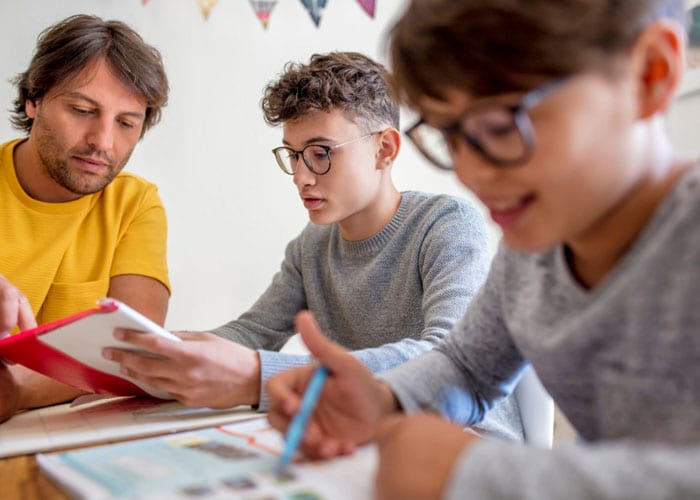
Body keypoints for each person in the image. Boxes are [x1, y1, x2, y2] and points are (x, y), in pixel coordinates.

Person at [265, 0, 700, 498]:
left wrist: (474, 474)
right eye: (450, 136)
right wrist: (385, 400)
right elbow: (467, 368)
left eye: (499, 125)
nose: (472, 174)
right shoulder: (535, 249)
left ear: (649, 75)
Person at [104, 51, 522, 440]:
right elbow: (254, 332)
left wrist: (263, 374)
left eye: (321, 153)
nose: (301, 177)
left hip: (465, 442)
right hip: (368, 436)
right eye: (294, 154)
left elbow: (443, 354)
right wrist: (165, 354)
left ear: (384, 149)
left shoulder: (446, 224)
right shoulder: (311, 246)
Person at [0, 14, 170, 423]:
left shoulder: (136, 204)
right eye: (81, 110)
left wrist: (16, 389)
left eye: (126, 123)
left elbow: (133, 352)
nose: (102, 142)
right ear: (33, 100)